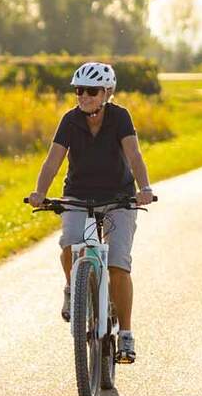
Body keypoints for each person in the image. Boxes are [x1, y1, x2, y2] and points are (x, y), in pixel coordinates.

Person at [25, 62, 156, 363]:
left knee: (118, 263)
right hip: (79, 197)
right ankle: (73, 288)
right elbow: (52, 161)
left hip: (118, 199)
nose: (83, 96)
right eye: (79, 90)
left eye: (91, 91)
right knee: (70, 243)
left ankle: (125, 334)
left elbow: (134, 155)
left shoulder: (120, 117)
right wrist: (39, 192)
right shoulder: (70, 120)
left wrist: (145, 187)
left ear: (107, 93)